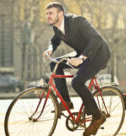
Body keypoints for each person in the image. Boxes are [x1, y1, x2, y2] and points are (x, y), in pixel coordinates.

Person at [44, 2, 111, 135]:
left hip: (98, 55)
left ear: (60, 14)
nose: (48, 16)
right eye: (46, 14)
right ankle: (66, 102)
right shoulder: (57, 27)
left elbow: (96, 39)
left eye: (51, 13)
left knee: (77, 82)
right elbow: (54, 40)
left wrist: (82, 57)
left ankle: (98, 118)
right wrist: (50, 49)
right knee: (55, 64)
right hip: (81, 53)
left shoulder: (77, 21)